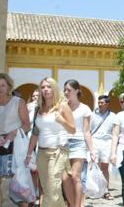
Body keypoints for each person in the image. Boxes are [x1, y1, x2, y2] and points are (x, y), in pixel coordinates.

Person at [25, 77, 76, 207]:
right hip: (41, 153)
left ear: (54, 89)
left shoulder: (62, 106)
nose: (46, 90)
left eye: (49, 87)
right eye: (43, 87)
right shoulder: (38, 108)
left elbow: (73, 130)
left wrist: (62, 121)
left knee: (53, 188)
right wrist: (29, 154)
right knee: (47, 189)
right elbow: (35, 134)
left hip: (58, 152)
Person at [0, 73, 30, 207]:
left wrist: (13, 133)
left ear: (8, 86)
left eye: (3, 85)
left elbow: (27, 124)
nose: (0, 88)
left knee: (20, 182)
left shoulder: (18, 102)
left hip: (15, 145)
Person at [62, 79, 96, 207]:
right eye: (65, 90)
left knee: (76, 176)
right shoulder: (61, 106)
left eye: (69, 90)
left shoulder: (85, 109)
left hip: (78, 143)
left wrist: (92, 150)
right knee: (65, 178)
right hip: (63, 144)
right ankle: (71, 204)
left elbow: (87, 131)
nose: (66, 92)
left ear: (77, 91)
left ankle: (77, 205)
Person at [91, 94, 117, 200]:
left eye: (102, 103)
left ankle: (106, 190)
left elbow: (115, 132)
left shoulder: (113, 116)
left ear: (108, 104)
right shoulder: (92, 115)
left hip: (107, 142)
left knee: (105, 166)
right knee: (95, 166)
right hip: (94, 141)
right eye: (99, 102)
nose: (100, 104)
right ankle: (95, 190)